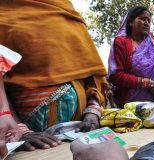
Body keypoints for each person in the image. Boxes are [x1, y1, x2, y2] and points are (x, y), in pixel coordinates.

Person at [0, 0, 109, 151]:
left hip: (81, 133)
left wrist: (93, 112)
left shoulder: (65, 8)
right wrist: (20, 131)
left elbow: (91, 73)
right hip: (26, 143)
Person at [108, 6, 154, 108]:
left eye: (148, 20)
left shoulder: (152, 48)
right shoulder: (121, 42)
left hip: (153, 104)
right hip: (128, 105)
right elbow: (116, 76)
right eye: (142, 19)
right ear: (131, 22)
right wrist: (146, 82)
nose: (146, 23)